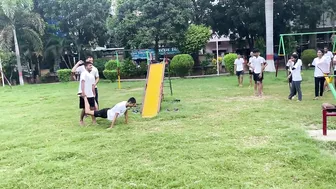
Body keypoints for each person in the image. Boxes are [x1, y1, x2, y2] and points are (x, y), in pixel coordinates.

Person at [78, 62, 97, 126]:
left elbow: (93, 85)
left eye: (92, 65)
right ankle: (81, 120)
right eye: (90, 65)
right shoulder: (84, 73)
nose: (91, 67)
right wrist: (83, 92)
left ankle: (94, 121)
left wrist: (94, 92)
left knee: (92, 107)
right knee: (84, 108)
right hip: (84, 94)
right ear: (86, 66)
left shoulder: (91, 75)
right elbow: (82, 82)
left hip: (90, 94)